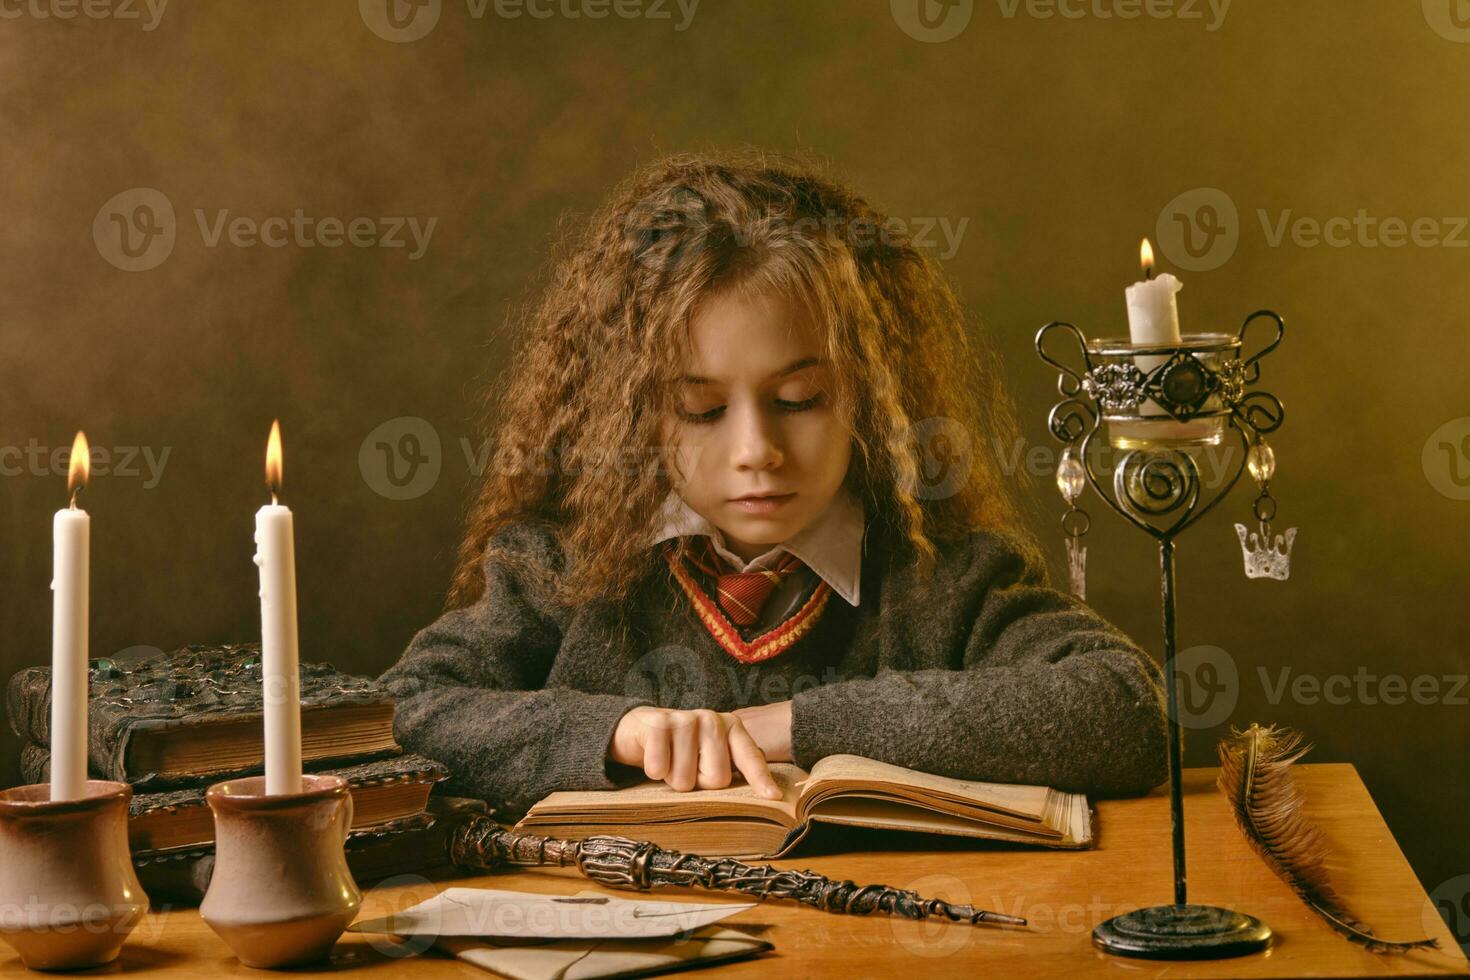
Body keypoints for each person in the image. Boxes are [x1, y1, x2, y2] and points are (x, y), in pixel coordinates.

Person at [378, 150, 1168, 821]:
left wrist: (785, 725)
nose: (757, 450)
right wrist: (624, 731)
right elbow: (397, 719)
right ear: (632, 415)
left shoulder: (946, 579)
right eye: (702, 409)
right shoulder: (557, 572)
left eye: (800, 401)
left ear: (870, 395)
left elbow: (1124, 710)